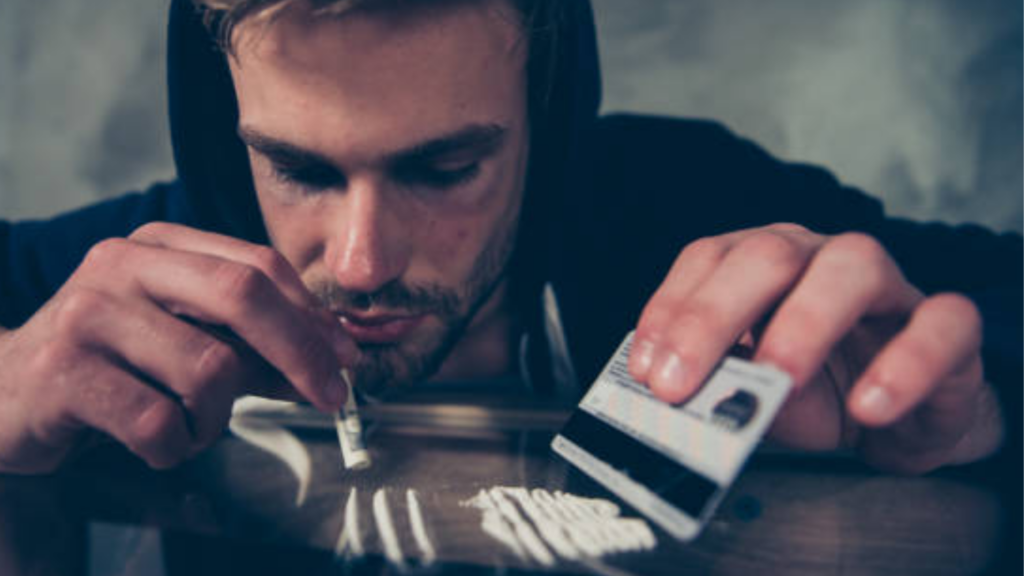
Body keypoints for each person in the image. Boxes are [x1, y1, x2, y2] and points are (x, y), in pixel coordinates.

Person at [0, 0, 1019, 479]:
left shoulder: (694, 206)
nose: (361, 263)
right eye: (300, 170)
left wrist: (981, 420)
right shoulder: (131, 281)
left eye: (445, 169)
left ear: (549, 118)